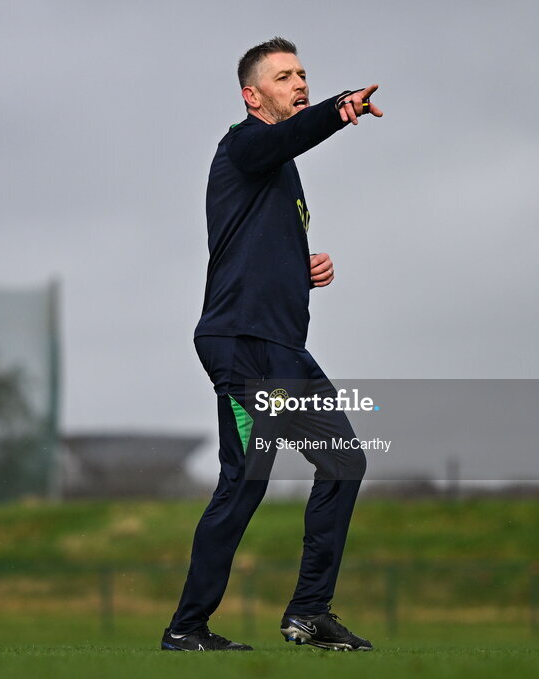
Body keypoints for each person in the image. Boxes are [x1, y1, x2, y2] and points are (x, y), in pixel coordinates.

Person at [161, 37, 383, 652]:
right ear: (252, 95)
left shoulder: (281, 166)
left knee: (343, 463)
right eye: (285, 76)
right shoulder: (246, 142)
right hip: (240, 344)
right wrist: (340, 108)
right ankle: (186, 628)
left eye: (304, 74)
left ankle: (310, 613)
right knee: (245, 482)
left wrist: (299, 266)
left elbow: (254, 242)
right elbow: (287, 137)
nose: (299, 83)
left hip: (281, 347)